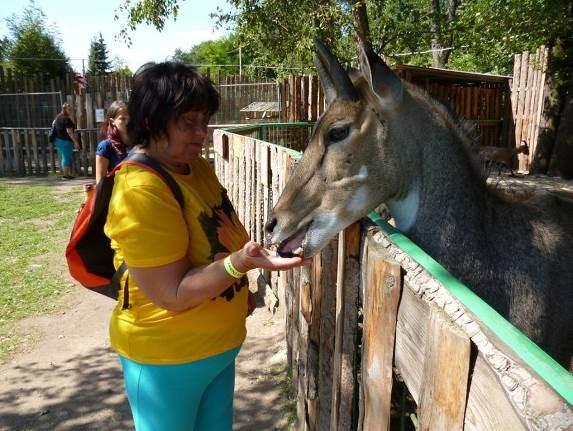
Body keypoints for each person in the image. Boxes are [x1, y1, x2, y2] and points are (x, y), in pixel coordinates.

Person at [103, 62, 306, 431]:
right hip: (166, 361)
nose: (202, 132)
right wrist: (238, 268)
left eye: (204, 120)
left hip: (215, 352)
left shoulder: (195, 166)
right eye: (188, 122)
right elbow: (173, 294)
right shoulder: (140, 191)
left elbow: (222, 233)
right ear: (152, 120)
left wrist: (243, 279)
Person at [95, 100, 129, 183]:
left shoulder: (141, 143)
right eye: (122, 119)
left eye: (131, 118)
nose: (128, 122)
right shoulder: (105, 146)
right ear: (112, 121)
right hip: (118, 194)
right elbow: (100, 183)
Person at [51, 102, 79, 180]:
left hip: (57, 140)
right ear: (65, 110)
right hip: (65, 141)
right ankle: (65, 176)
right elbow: (69, 132)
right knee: (66, 157)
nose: (71, 111)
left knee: (64, 156)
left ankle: (66, 174)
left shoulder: (58, 117)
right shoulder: (66, 119)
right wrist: (76, 142)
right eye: (69, 109)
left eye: (71, 109)